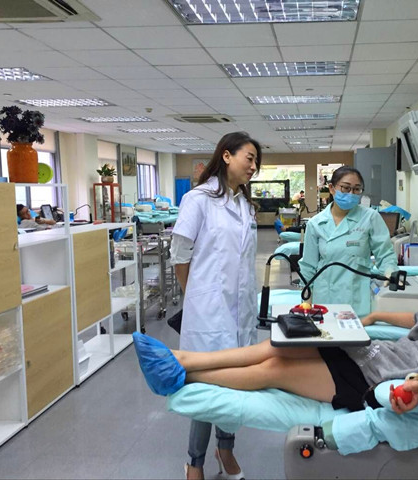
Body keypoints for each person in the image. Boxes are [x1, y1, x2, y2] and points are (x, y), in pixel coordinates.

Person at [133, 268, 418, 417]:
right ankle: (185, 357)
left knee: (275, 370)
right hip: (372, 351)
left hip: (373, 378)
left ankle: (182, 377)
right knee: (281, 343)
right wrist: (374, 316)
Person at [169, 131, 261, 480]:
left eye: (256, 161)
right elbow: (180, 255)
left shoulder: (245, 205)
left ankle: (226, 449)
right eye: (249, 158)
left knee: (233, 385)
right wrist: (196, 297)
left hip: (241, 311)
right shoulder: (198, 199)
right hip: (208, 312)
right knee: (206, 389)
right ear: (226, 155)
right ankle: (195, 462)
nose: (253, 166)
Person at [298, 166, 397, 317]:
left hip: (356, 297)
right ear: (331, 188)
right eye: (345, 188)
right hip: (324, 298)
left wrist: (390, 271)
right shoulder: (316, 223)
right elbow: (308, 266)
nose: (351, 194)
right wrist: (306, 299)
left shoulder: (370, 217)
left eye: (357, 189)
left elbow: (385, 254)